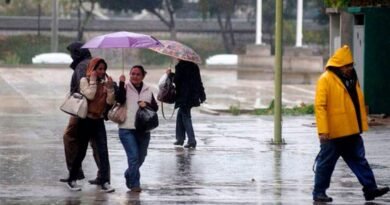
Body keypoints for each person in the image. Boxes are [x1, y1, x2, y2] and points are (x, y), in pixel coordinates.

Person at [313, 45, 389, 202]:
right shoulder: (326, 79)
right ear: (339, 65)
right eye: (347, 65)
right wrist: (323, 131)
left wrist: (360, 125)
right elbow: (320, 107)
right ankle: (319, 193)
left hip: (351, 130)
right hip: (333, 132)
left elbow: (356, 103)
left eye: (351, 65)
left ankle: (370, 189)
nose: (350, 68)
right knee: (326, 164)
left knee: (359, 160)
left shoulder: (351, 79)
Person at [66, 57, 115, 193]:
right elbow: (90, 96)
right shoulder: (84, 81)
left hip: (98, 121)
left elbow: (110, 102)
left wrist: (110, 88)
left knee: (103, 151)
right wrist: (93, 81)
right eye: (99, 69)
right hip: (86, 120)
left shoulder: (105, 83)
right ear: (92, 69)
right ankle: (72, 179)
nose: (102, 71)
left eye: (104, 69)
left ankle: (105, 181)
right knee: (81, 150)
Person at [61, 42, 105, 185]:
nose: (71, 56)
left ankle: (75, 172)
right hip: (95, 110)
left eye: (72, 53)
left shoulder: (81, 66)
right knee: (97, 144)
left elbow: (82, 89)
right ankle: (103, 175)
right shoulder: (93, 63)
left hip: (83, 111)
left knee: (70, 137)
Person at [116, 65, 158, 192]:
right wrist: (121, 82)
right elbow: (119, 100)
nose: (134, 76)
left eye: (138, 74)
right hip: (126, 128)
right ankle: (135, 184)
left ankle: (129, 173)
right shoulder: (124, 87)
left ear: (143, 76)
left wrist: (147, 104)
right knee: (133, 157)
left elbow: (155, 108)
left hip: (143, 130)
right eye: (132, 73)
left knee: (142, 156)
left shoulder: (148, 89)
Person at [167, 60, 206, 149]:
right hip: (193, 95)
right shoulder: (194, 66)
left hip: (184, 96)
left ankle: (192, 140)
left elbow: (177, 81)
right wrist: (202, 95)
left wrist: (170, 74)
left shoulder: (180, 66)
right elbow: (199, 81)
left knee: (185, 116)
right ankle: (180, 138)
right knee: (181, 114)